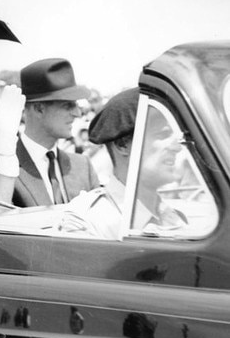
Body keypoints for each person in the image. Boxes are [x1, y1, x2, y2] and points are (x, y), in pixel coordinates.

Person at [58, 87, 187, 238]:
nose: (177, 147)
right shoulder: (88, 221)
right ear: (123, 145)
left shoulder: (175, 218)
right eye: (163, 134)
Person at [0, 58, 100, 206]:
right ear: (39, 108)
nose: (77, 113)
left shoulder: (82, 166)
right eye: (68, 105)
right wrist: (7, 141)